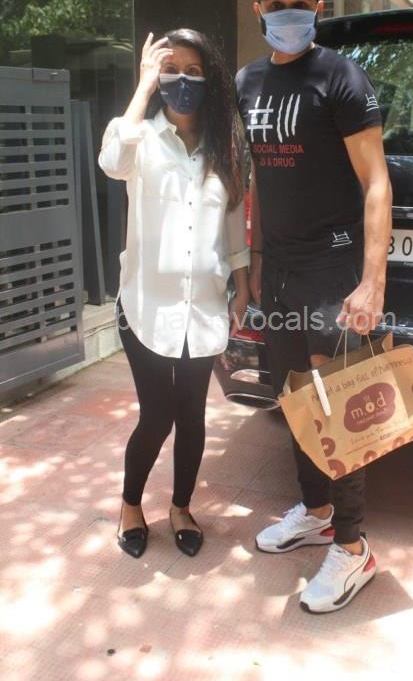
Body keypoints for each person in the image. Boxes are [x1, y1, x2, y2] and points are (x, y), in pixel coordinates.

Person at [236, 0, 392, 613]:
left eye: (300, 0)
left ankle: (353, 549)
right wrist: (253, 266)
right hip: (279, 273)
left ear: (318, 8)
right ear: (259, 11)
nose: (288, 10)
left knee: (339, 407)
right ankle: (317, 512)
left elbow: (377, 181)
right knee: (297, 398)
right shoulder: (247, 82)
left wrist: (372, 281)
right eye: (276, 1)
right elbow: (256, 182)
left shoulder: (340, 77)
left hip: (333, 270)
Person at [99, 29, 249, 559]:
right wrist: (143, 86)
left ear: (209, 80)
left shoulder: (222, 147)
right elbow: (112, 161)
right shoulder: (139, 137)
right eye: (171, 70)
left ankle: (181, 507)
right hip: (144, 306)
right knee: (156, 416)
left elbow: (232, 223)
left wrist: (242, 285)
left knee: (192, 416)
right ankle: (130, 505)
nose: (181, 80)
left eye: (192, 71)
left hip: (203, 306)